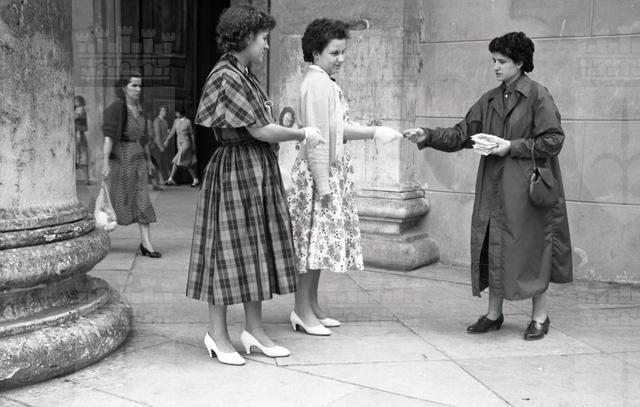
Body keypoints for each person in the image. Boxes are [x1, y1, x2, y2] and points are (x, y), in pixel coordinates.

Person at [404, 32, 572, 340]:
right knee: (492, 243)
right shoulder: (490, 99)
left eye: (502, 61)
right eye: (493, 60)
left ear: (519, 63)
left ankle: (540, 316)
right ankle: (494, 314)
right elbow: (462, 134)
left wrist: (511, 146)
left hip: (528, 189)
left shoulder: (538, 96)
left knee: (532, 248)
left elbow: (553, 140)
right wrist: (427, 135)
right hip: (493, 187)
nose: (495, 67)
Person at [186, 5, 324, 366]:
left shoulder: (242, 73)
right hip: (236, 169)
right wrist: (302, 133)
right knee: (226, 251)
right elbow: (260, 130)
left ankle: (254, 330)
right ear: (245, 38)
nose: (266, 45)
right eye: (263, 38)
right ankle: (217, 334)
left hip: (253, 168)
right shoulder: (227, 76)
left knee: (255, 249)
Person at [287, 18, 403, 336]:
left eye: (342, 52)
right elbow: (317, 138)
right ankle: (302, 310)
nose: (341, 58)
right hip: (317, 174)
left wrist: (374, 131)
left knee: (318, 244)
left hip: (324, 171)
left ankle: (310, 306)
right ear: (316, 53)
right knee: (311, 246)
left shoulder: (324, 82)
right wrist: (324, 184)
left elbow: (336, 129)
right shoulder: (317, 83)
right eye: (334, 52)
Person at [102, 70, 161, 258]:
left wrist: (149, 159)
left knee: (142, 198)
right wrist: (105, 163)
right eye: (133, 85)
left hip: (138, 159)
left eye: (140, 85)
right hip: (120, 158)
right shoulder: (115, 109)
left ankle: (146, 244)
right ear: (123, 88)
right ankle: (100, 239)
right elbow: (109, 138)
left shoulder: (141, 109)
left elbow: (144, 139)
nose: (138, 89)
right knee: (113, 199)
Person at [164, 106, 199, 187]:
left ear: (181, 113)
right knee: (187, 163)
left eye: (177, 112)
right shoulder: (176, 121)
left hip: (186, 143)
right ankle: (195, 179)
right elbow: (172, 132)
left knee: (176, 160)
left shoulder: (188, 121)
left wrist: (194, 146)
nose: (176, 114)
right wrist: (167, 140)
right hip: (179, 144)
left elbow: (192, 134)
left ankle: (170, 179)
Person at [152, 105, 171, 183]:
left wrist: (168, 132)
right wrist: (160, 146)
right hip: (159, 145)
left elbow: (165, 133)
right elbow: (157, 134)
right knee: (159, 163)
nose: (165, 112)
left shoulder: (165, 121)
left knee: (165, 162)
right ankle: (160, 179)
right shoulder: (157, 121)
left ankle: (166, 179)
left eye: (165, 110)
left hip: (165, 145)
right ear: (159, 112)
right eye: (163, 110)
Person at [74, 95, 90, 185]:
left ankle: (86, 180)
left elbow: (85, 127)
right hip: (75, 138)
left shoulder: (82, 112)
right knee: (75, 160)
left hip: (80, 137)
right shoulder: (74, 112)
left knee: (83, 160)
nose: (81, 109)